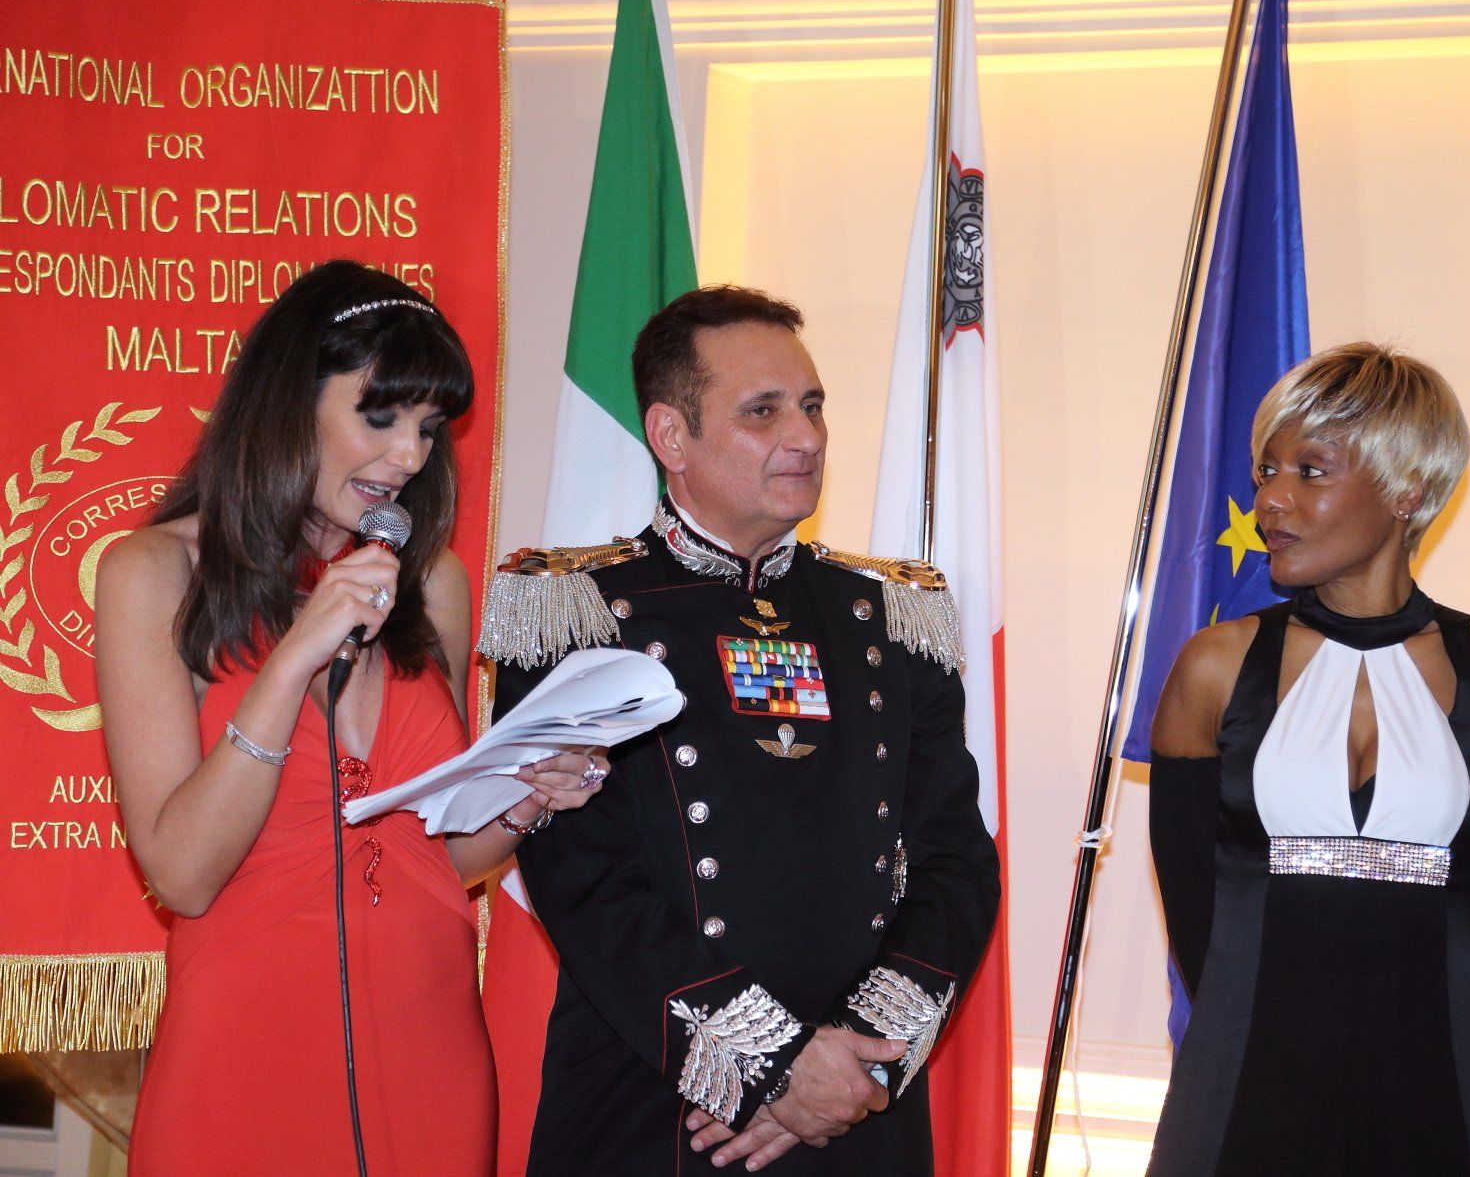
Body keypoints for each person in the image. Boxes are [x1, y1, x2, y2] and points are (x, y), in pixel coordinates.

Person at [478, 285, 1000, 1176]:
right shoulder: (576, 612)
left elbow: (955, 860)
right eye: (763, 411)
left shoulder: (890, 613)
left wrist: (854, 1062)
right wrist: (770, 1068)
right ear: (671, 436)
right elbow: (585, 880)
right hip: (658, 1106)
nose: (806, 436)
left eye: (812, 406)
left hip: (857, 1109)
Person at [97, 261, 603, 1176]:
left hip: (430, 1056)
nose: (409, 456)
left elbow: (439, 857)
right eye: (381, 417)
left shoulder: (434, 584)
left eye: (428, 428)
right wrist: (293, 657)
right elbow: (183, 875)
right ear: (290, 403)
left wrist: (529, 795)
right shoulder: (156, 573)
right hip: (244, 1058)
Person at [1143, 343, 1470, 1176]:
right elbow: (1196, 921)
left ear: (1407, 488)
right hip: (1237, 1093)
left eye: (1310, 470)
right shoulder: (1213, 668)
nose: (1270, 500)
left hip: (1440, 1094)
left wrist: (1437, 1055)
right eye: (1266, 471)